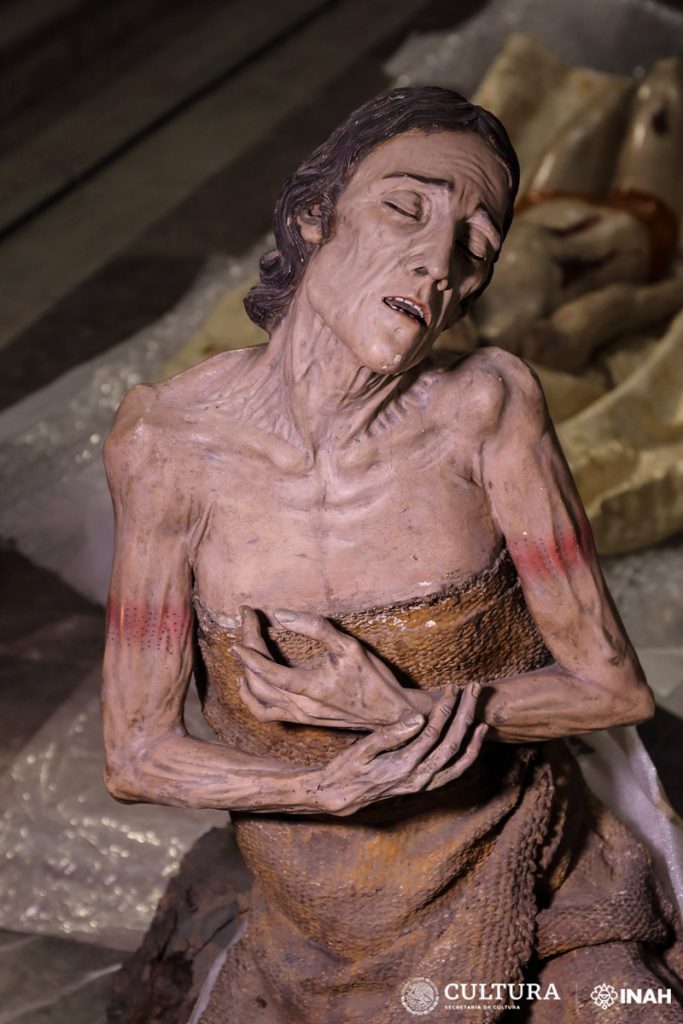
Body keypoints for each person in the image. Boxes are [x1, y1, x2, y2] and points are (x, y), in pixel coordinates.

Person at [102, 88, 681, 1022]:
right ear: (312, 217)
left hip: (514, 857)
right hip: (313, 901)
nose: (437, 262)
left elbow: (611, 689)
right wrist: (324, 787)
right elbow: (135, 753)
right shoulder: (166, 445)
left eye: (476, 247)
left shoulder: (485, 408)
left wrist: (410, 713)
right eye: (405, 209)